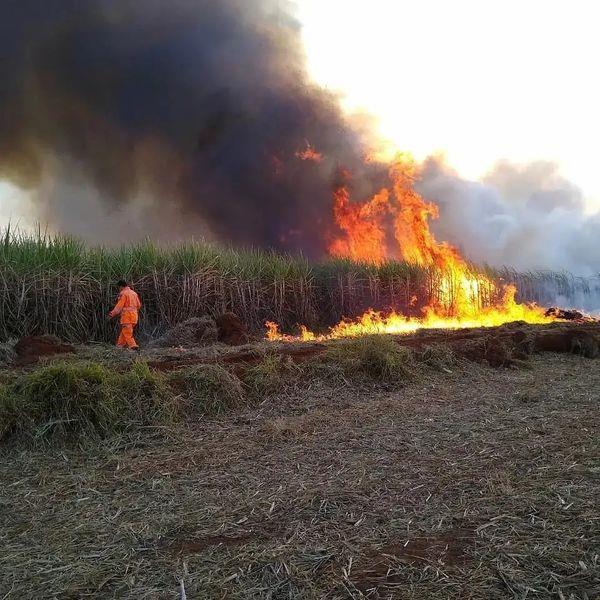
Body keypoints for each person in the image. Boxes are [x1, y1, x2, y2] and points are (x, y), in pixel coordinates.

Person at [108, 280, 142, 350]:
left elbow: (119, 307)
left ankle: (133, 346)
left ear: (121, 286)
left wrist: (111, 314)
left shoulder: (123, 294)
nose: (119, 289)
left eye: (119, 287)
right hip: (134, 317)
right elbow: (139, 305)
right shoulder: (134, 293)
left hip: (127, 317)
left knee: (127, 333)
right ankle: (119, 347)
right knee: (124, 332)